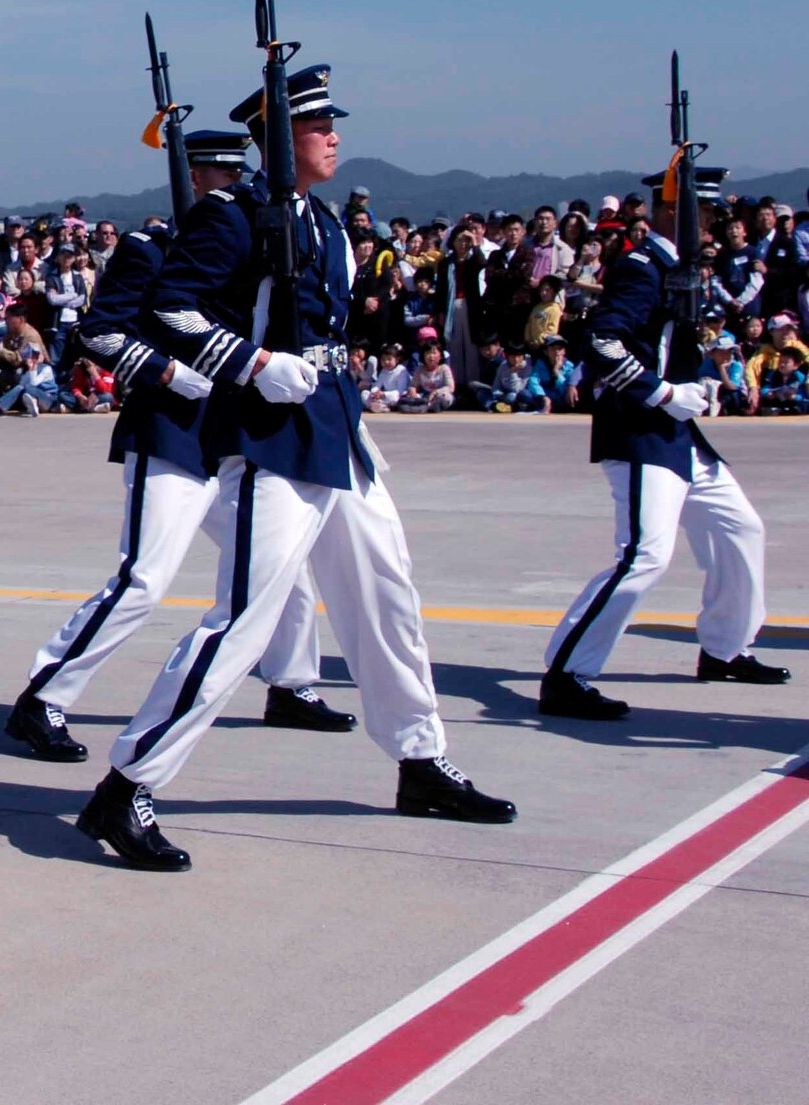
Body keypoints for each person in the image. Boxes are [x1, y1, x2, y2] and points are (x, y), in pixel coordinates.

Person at [81, 66, 514, 872]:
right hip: (272, 438)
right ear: (280, 140)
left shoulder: (327, 224)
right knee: (242, 620)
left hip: (335, 428)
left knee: (388, 598)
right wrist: (249, 362)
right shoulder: (230, 215)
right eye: (317, 126)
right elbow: (171, 308)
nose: (334, 136)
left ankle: (420, 759)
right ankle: (128, 783)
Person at [6, 130, 355, 772]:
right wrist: (167, 373)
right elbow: (100, 331)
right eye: (212, 176)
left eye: (233, 175)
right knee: (144, 578)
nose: (224, 186)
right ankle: (44, 695)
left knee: (282, 572)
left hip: (234, 432)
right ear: (192, 178)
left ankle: (291, 683)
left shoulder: (255, 237)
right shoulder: (152, 247)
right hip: (174, 430)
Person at [539, 171, 790, 721]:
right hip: (640, 428)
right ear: (679, 215)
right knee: (645, 554)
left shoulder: (678, 269)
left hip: (678, 432)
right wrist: (662, 391)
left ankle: (725, 647)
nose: (719, 226)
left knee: (740, 528)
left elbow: (667, 342)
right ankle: (566, 674)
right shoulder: (641, 267)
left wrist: (699, 382)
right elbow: (600, 341)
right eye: (708, 214)